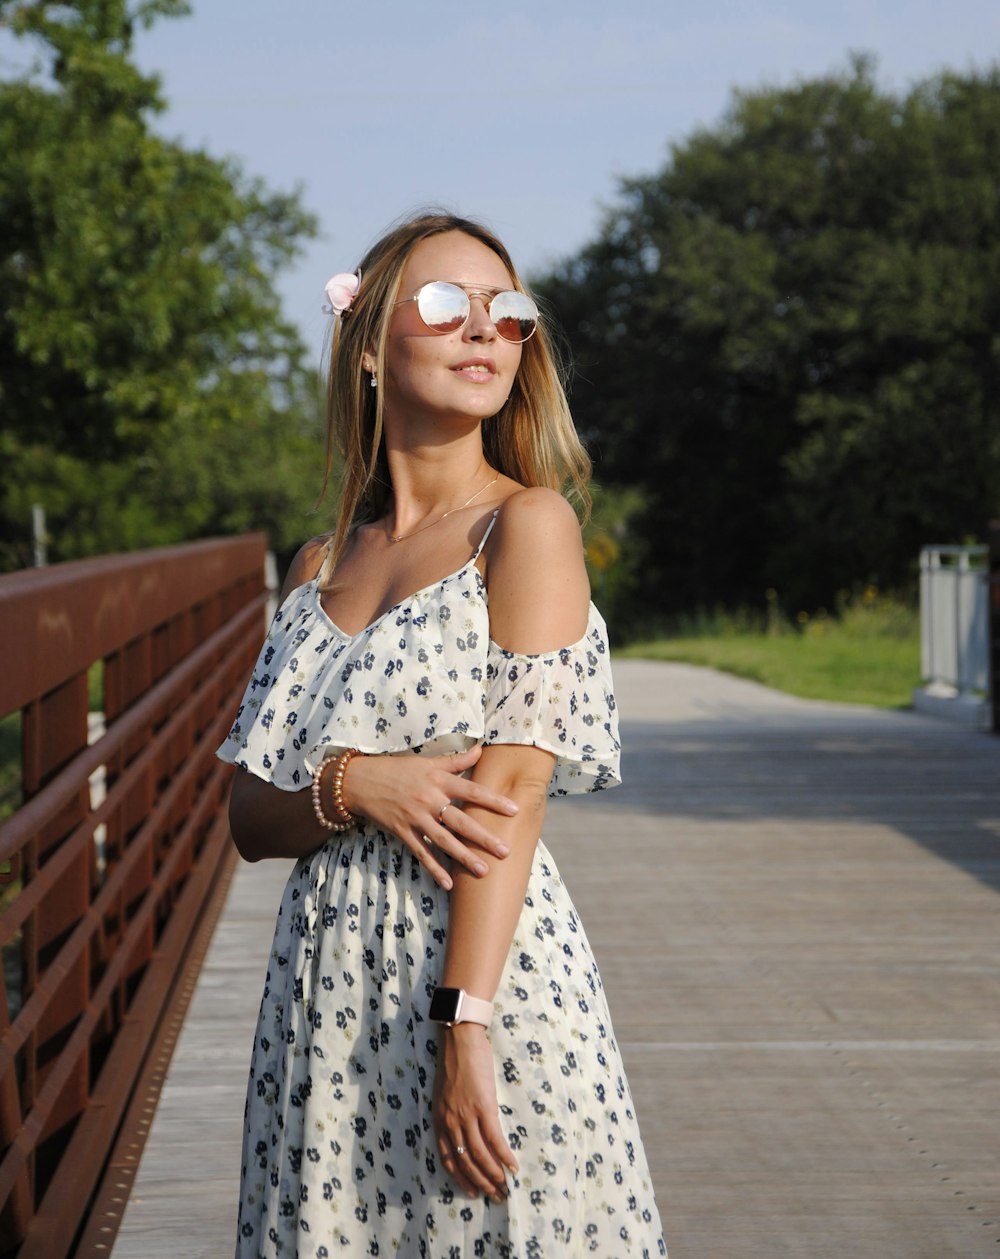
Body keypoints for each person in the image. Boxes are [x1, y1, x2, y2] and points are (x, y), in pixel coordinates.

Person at [218, 211, 666, 1258]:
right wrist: (357, 784)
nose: (481, 330)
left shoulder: (528, 525)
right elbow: (249, 813)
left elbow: (512, 790)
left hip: (475, 971)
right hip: (324, 992)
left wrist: (463, 1022)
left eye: (507, 312)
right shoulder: (316, 563)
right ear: (368, 346)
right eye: (442, 305)